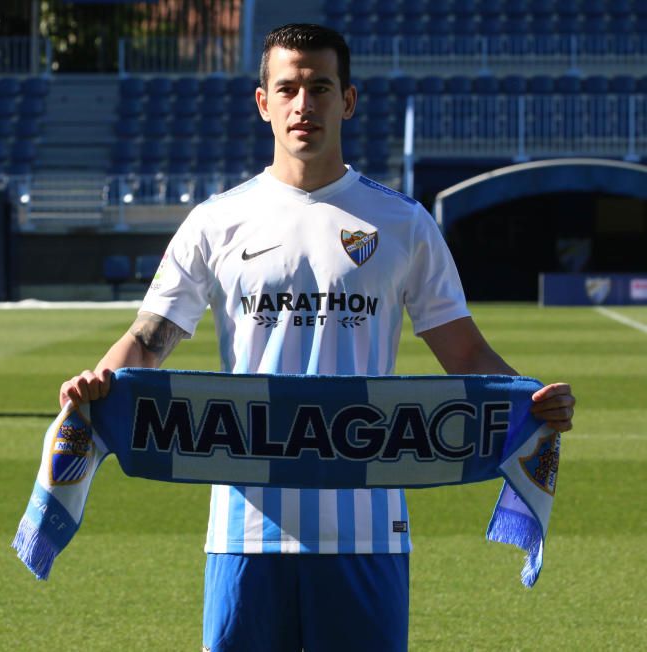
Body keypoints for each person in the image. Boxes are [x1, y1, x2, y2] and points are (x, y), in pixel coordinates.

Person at [59, 23, 576, 652]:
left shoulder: (403, 222)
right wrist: (96, 385)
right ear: (263, 103)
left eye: (320, 87)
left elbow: (464, 353)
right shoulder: (216, 221)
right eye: (288, 88)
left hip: (366, 525)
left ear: (347, 101)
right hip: (247, 525)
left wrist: (531, 402)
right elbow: (148, 340)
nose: (304, 104)